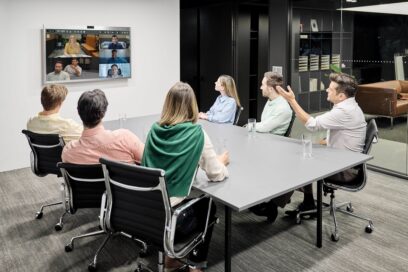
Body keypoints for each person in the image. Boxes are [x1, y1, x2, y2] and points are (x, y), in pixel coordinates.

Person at [142, 82, 229, 272]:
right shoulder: (197, 133)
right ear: (192, 105)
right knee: (208, 205)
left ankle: (172, 259)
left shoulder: (153, 130)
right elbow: (215, 174)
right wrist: (221, 162)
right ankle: (195, 265)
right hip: (172, 217)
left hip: (144, 210)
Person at [276, 72, 367, 215]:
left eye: (330, 89)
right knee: (302, 157)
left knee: (298, 162)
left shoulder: (344, 111)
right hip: (347, 161)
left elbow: (312, 125)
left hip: (345, 170)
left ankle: (274, 205)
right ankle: (307, 202)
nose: (326, 90)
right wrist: (324, 142)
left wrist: (291, 100)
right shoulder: (351, 106)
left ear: (341, 96)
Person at [248, 72, 293, 222]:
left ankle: (269, 205)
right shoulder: (270, 101)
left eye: (263, 84)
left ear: (271, 88)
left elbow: (265, 126)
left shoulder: (282, 107)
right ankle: (252, 197)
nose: (260, 87)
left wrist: (249, 125)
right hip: (264, 142)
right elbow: (262, 126)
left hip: (274, 147)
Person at [62, 89, 144, 164]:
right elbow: (148, 160)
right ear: (103, 112)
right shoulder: (125, 138)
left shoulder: (68, 151)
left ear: (78, 111)